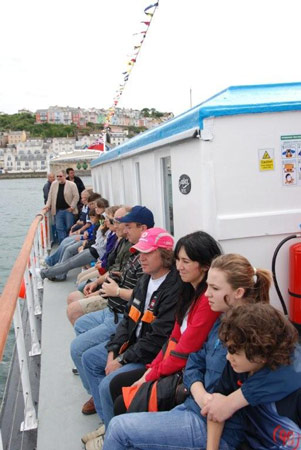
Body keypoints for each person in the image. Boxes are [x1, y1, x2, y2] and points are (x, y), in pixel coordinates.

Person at [102, 254, 301, 450]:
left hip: (211, 425)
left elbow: (291, 368)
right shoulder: (221, 322)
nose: (206, 294)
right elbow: (194, 360)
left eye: (214, 288)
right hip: (196, 405)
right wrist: (201, 394)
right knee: (119, 408)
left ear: (238, 292)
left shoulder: (260, 332)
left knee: (119, 429)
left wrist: (232, 402)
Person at [81, 227, 182, 449]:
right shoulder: (146, 280)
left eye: (147, 253)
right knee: (89, 359)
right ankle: (107, 423)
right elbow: (128, 319)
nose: (140, 257)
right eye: (139, 252)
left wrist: (123, 359)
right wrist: (113, 350)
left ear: (164, 255)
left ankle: (112, 434)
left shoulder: (174, 288)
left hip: (150, 354)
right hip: (132, 346)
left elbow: (158, 338)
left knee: (109, 384)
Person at [109, 231, 222, 417]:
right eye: (178, 260)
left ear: (204, 266)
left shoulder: (207, 302)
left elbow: (184, 351)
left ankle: (123, 435)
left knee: (123, 402)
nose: (179, 267)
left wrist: (151, 376)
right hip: (170, 365)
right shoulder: (187, 293)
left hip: (186, 374)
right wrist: (151, 369)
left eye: (186, 262)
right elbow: (173, 338)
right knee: (116, 385)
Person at [69, 206, 154, 415]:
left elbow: (141, 301)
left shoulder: (150, 261)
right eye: (120, 224)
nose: (124, 230)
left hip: (119, 316)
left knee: (81, 350)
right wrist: (103, 282)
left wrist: (115, 290)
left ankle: (99, 399)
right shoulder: (135, 252)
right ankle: (96, 390)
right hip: (114, 310)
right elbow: (118, 271)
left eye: (128, 226)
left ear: (143, 228)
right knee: (80, 325)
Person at [207, 304, 300, 450]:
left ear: (261, 355)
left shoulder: (295, 392)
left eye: (235, 352)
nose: (228, 357)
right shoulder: (236, 368)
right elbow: (217, 406)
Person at [40, 200, 108, 281]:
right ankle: (49, 272)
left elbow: (98, 239)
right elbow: (96, 236)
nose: (96, 209)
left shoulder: (103, 221)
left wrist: (85, 244)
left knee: (69, 263)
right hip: (93, 248)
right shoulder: (101, 220)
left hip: (95, 251)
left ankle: (45, 273)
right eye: (96, 207)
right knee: (69, 261)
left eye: (99, 207)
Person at [44, 169, 79, 243]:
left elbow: (76, 196)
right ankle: (62, 243)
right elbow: (50, 196)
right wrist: (47, 205)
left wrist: (72, 207)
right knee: (59, 228)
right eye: (57, 176)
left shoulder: (72, 184)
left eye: (60, 176)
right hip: (58, 210)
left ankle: (69, 242)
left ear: (65, 176)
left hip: (68, 210)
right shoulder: (54, 184)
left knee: (69, 227)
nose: (59, 178)